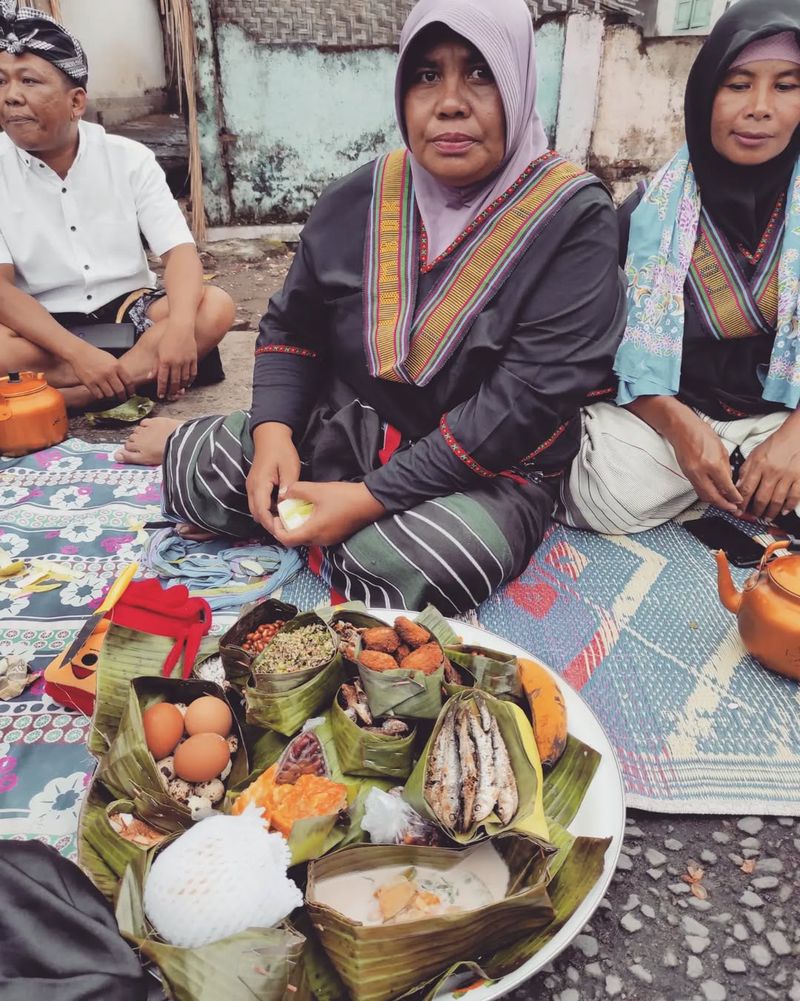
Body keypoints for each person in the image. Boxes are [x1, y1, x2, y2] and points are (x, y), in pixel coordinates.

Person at [118, 0, 625, 614]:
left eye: (481, 73)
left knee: (415, 560)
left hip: (485, 471)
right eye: (427, 75)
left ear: (518, 81)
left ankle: (332, 522)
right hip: (345, 434)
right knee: (204, 469)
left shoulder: (573, 218)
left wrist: (368, 500)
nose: (451, 102)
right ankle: (310, 511)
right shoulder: (362, 193)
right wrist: (274, 433)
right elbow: (290, 331)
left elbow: (525, 402)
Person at [559, 0, 800, 534]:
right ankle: (738, 483)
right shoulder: (646, 215)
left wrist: (793, 441)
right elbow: (595, 352)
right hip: (669, 416)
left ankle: (747, 477)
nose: (760, 107)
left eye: (787, 85)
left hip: (783, 416)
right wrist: (683, 430)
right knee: (604, 492)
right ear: (703, 93)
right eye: (737, 84)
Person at [0, 2, 234, 409]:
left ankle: (73, 394)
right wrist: (76, 353)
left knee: (214, 307)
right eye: (2, 82)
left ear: (76, 102)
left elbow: (179, 252)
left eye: (29, 82)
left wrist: (179, 327)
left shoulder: (129, 158)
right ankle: (132, 377)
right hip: (40, 327)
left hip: (132, 312)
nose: (11, 97)